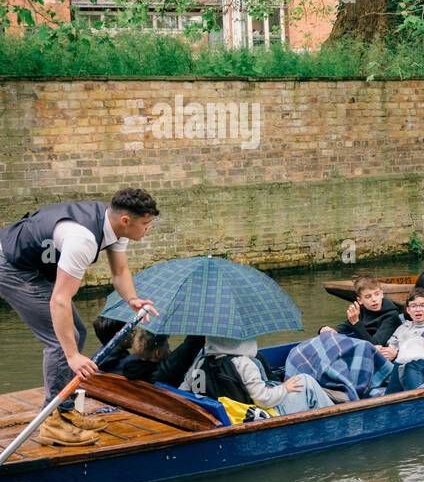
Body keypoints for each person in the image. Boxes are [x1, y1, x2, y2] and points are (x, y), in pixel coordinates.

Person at [0, 188, 159, 446]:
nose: (148, 229)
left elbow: (119, 272)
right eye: (146, 224)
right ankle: (51, 422)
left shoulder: (114, 225)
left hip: (34, 265)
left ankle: (64, 410)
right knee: (60, 341)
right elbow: (60, 301)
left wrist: (132, 299)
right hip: (11, 267)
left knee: (77, 333)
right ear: (126, 221)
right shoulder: (82, 240)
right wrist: (72, 356)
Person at [182, 336, 333, 416]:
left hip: (225, 414)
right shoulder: (243, 364)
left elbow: (195, 394)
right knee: (306, 381)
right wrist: (285, 389)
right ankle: (335, 416)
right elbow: (264, 400)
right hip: (255, 415)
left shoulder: (199, 364)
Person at [381, 288, 424, 392]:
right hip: (389, 363)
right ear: (408, 310)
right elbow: (391, 344)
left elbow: (420, 357)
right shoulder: (403, 326)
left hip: (406, 366)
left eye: (422, 305)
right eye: (413, 306)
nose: (418, 309)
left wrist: (396, 354)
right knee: (367, 349)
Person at [320, 276, 403, 346]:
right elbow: (344, 327)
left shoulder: (391, 316)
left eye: (377, 294)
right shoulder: (362, 310)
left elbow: (375, 345)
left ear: (382, 294)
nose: (374, 299)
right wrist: (328, 330)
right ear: (360, 300)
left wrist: (356, 323)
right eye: (368, 296)